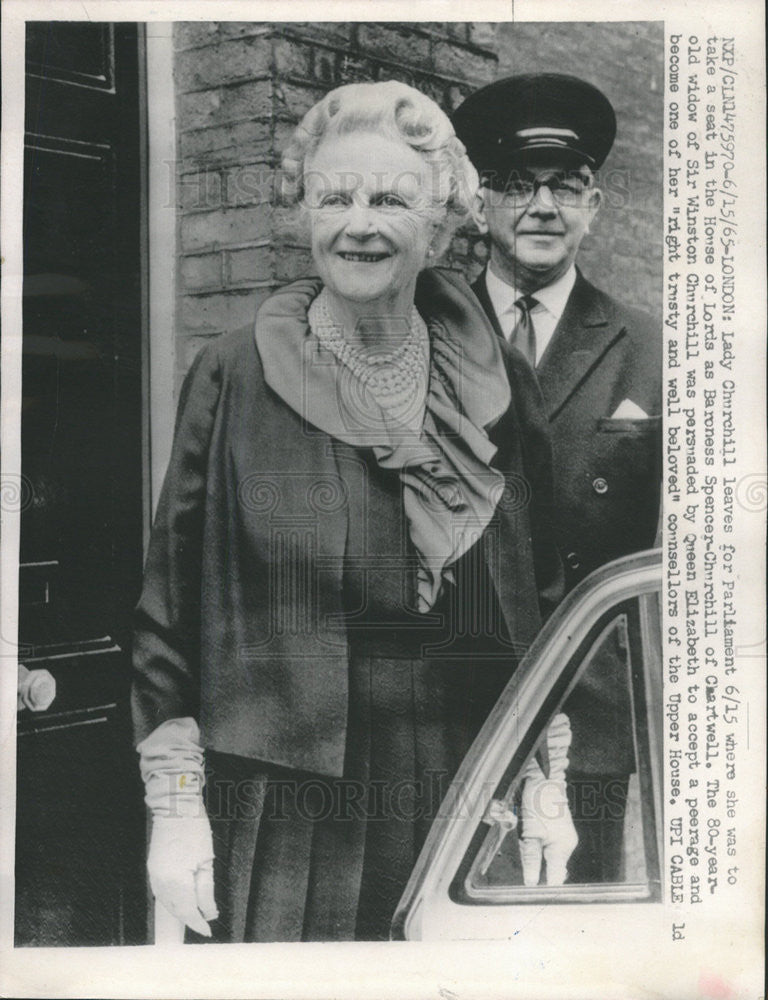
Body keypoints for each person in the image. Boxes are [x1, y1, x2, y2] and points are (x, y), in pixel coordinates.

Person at [131, 80, 565, 944]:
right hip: (284, 794)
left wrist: (542, 776)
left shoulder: (494, 378)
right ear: (304, 213)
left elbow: (537, 591)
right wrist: (176, 810)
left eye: (390, 200)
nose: (358, 223)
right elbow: (168, 610)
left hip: (456, 784)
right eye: (334, 198)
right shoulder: (235, 372)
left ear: (440, 220)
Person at [453, 73, 662, 883]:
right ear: (479, 205)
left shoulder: (652, 349)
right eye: (514, 184)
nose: (542, 206)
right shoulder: (424, 332)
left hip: (590, 711)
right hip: (450, 705)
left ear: (594, 207)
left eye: (566, 187)